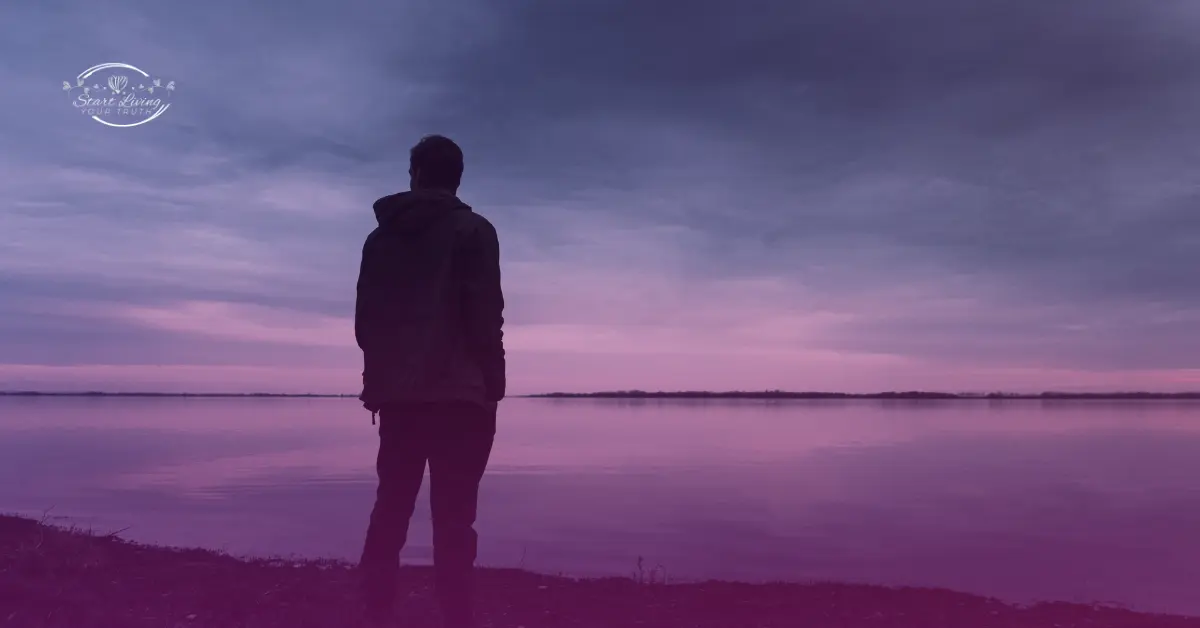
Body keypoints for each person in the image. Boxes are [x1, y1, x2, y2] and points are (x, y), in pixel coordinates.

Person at [355, 134, 506, 628]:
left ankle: (375, 612)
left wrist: (382, 377)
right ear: (457, 178)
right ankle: (457, 616)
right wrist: (494, 383)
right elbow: (485, 316)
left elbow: (366, 322)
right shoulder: (475, 232)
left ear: (415, 174)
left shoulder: (380, 240)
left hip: (400, 397)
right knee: (455, 517)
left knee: (391, 508)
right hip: (462, 399)